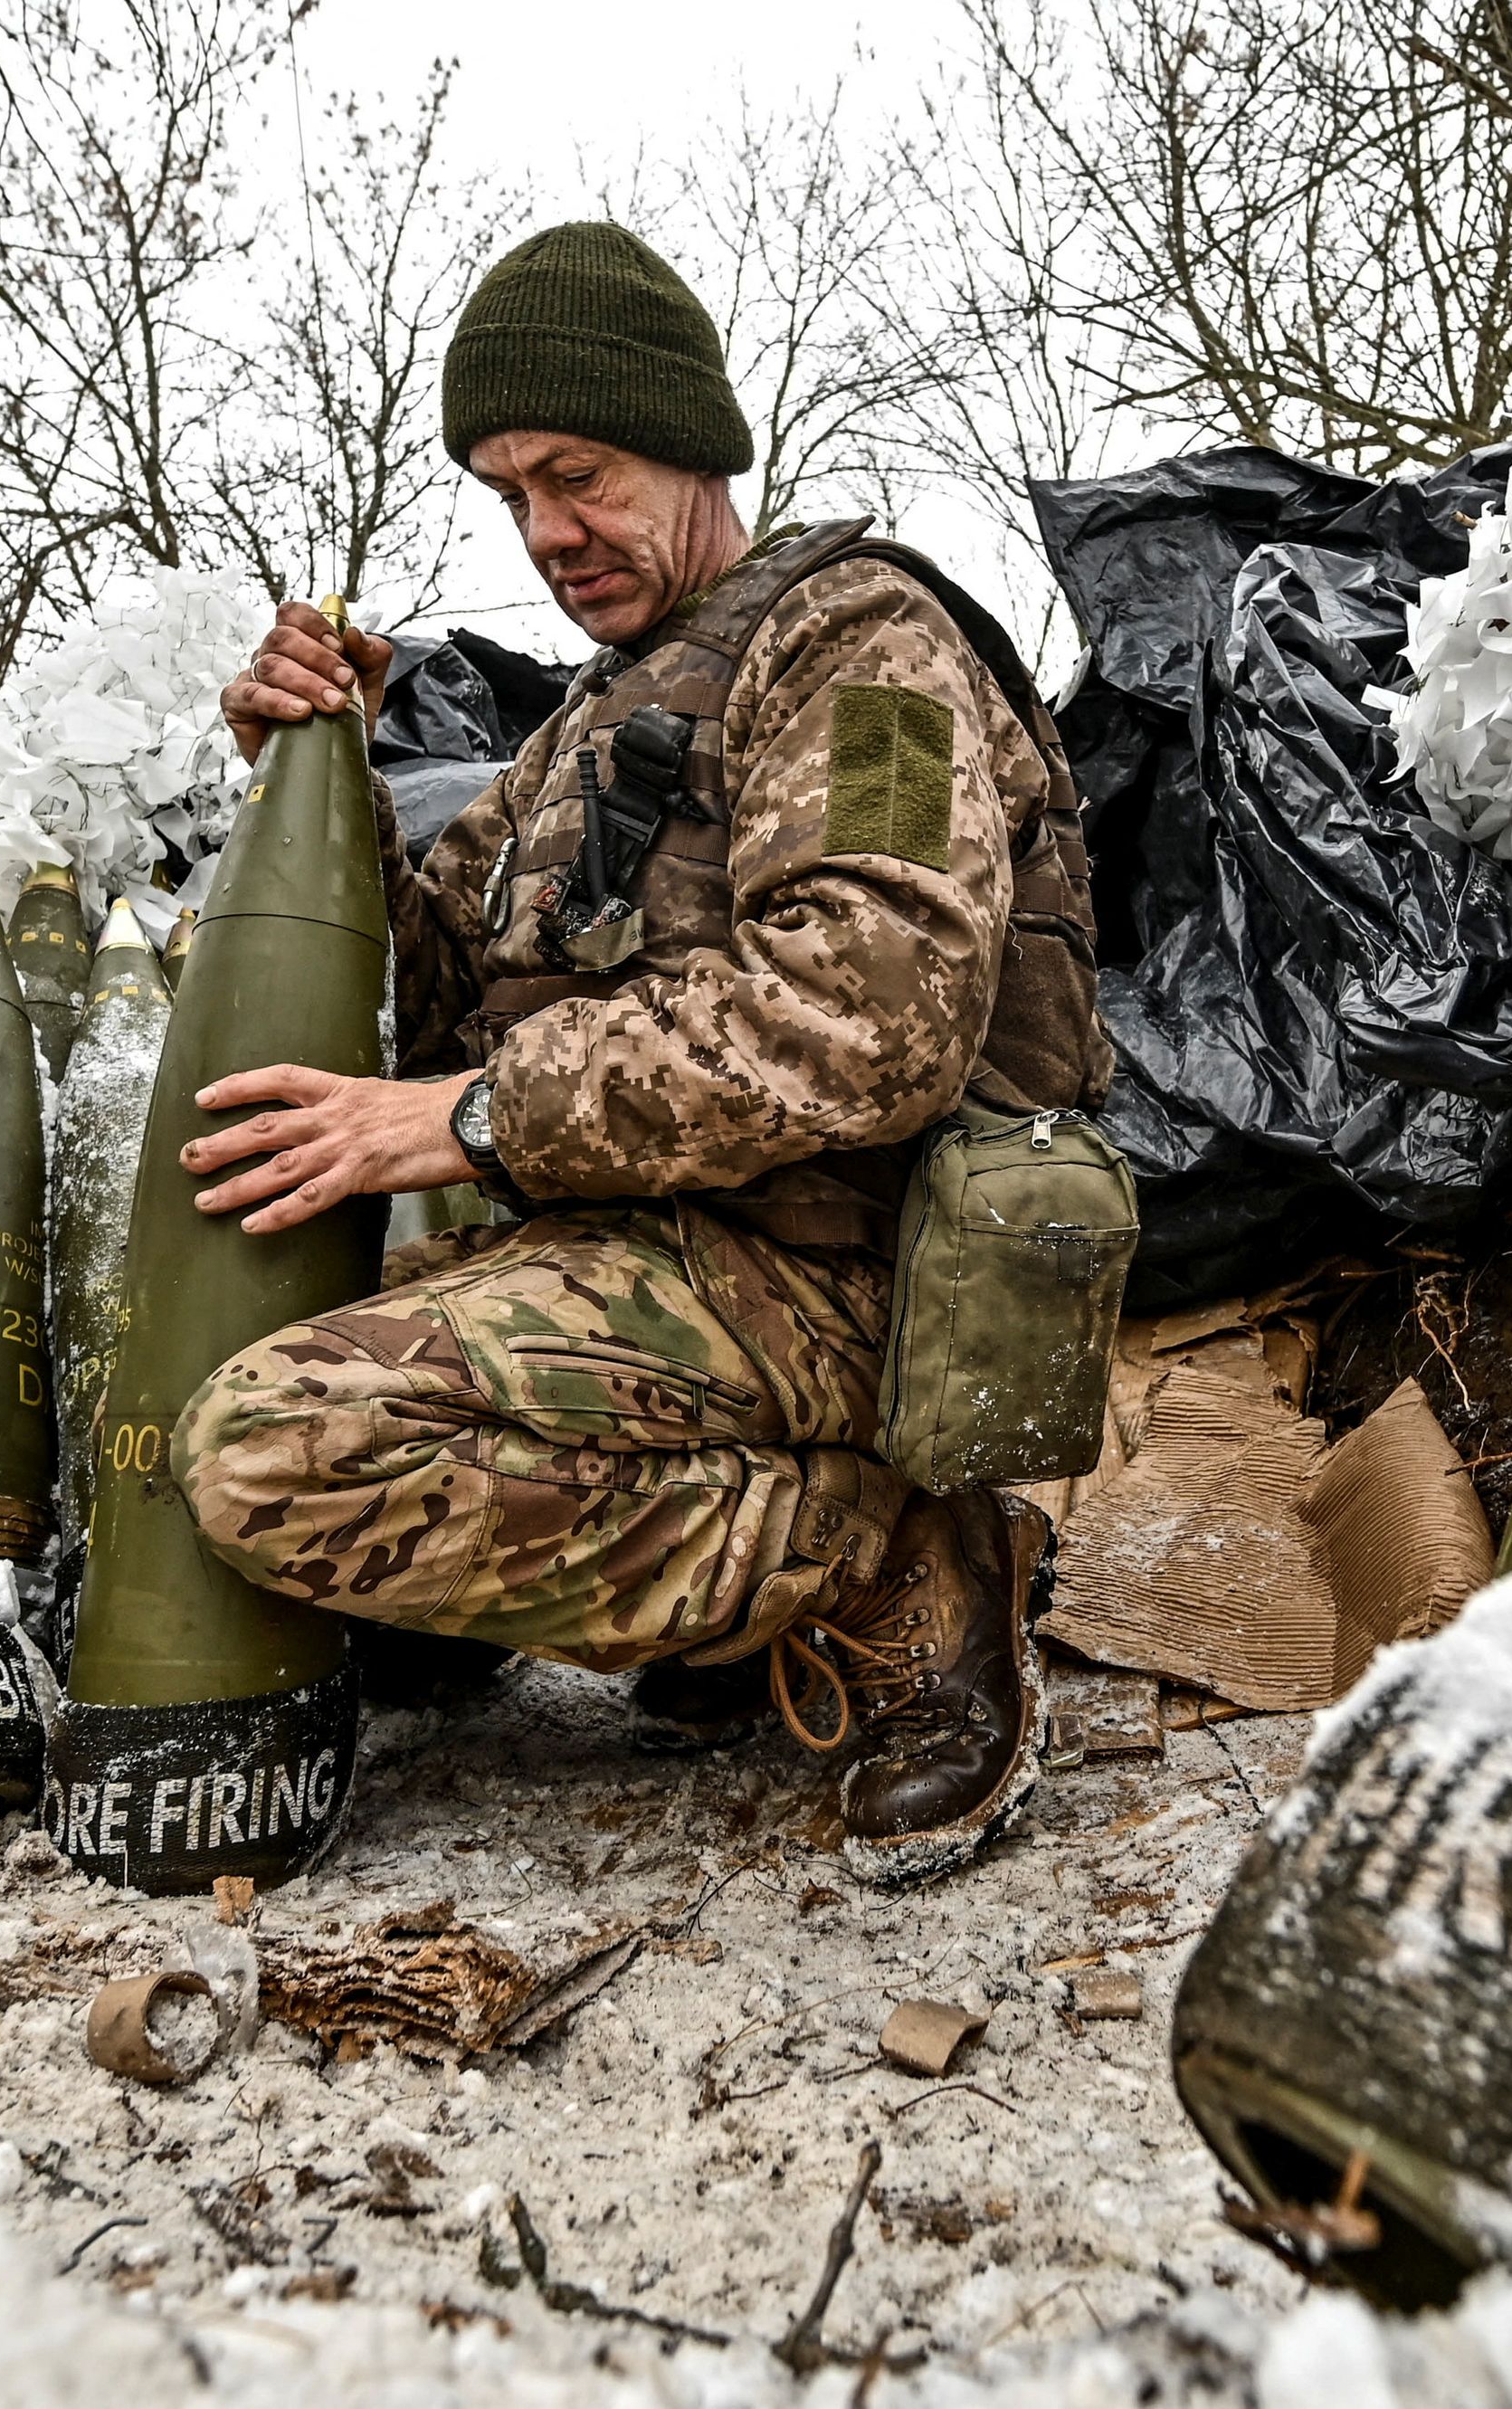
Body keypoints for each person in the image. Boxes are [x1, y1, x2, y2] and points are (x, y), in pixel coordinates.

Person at [176, 222, 1113, 1886]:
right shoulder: (587, 732)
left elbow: (872, 1007)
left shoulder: (862, 648)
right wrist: (313, 789)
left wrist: (467, 1120)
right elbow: (423, 994)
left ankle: (886, 1553)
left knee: (280, 1449)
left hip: (852, 1269)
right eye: (508, 492)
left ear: (690, 438)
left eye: (578, 472)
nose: (548, 531)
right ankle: (755, 1581)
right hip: (655, 1258)